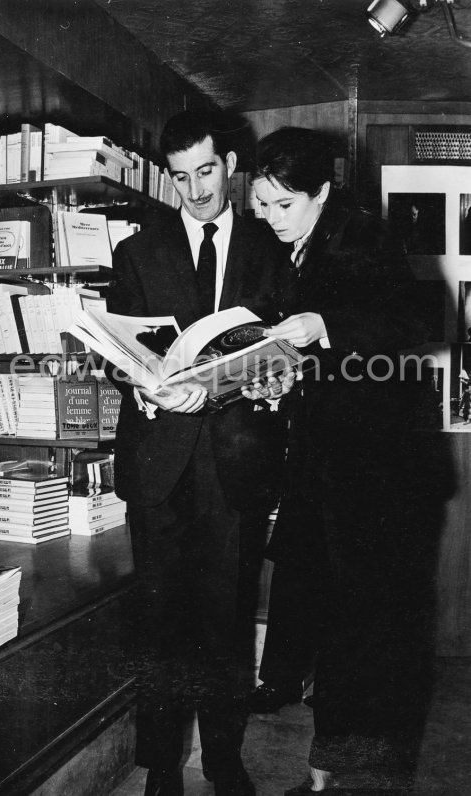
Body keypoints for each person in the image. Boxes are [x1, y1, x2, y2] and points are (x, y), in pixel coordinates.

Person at [244, 127, 450, 794]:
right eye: (262, 208)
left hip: (379, 478)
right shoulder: (299, 249)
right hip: (331, 470)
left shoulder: (364, 234)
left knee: (370, 633)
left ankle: (357, 775)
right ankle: (333, 770)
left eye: (283, 205)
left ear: (323, 191)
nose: (271, 221)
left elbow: (419, 325)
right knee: (341, 627)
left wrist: (323, 327)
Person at [106, 110, 288, 796]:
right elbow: (116, 351)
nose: (196, 190)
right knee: (159, 621)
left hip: (235, 465)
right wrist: (145, 388)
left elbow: (288, 353)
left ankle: (221, 759)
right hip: (159, 462)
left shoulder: (270, 252)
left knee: (227, 620)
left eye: (206, 172)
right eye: (181, 178)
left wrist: (274, 380)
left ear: (231, 167)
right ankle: (159, 767)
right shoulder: (137, 252)